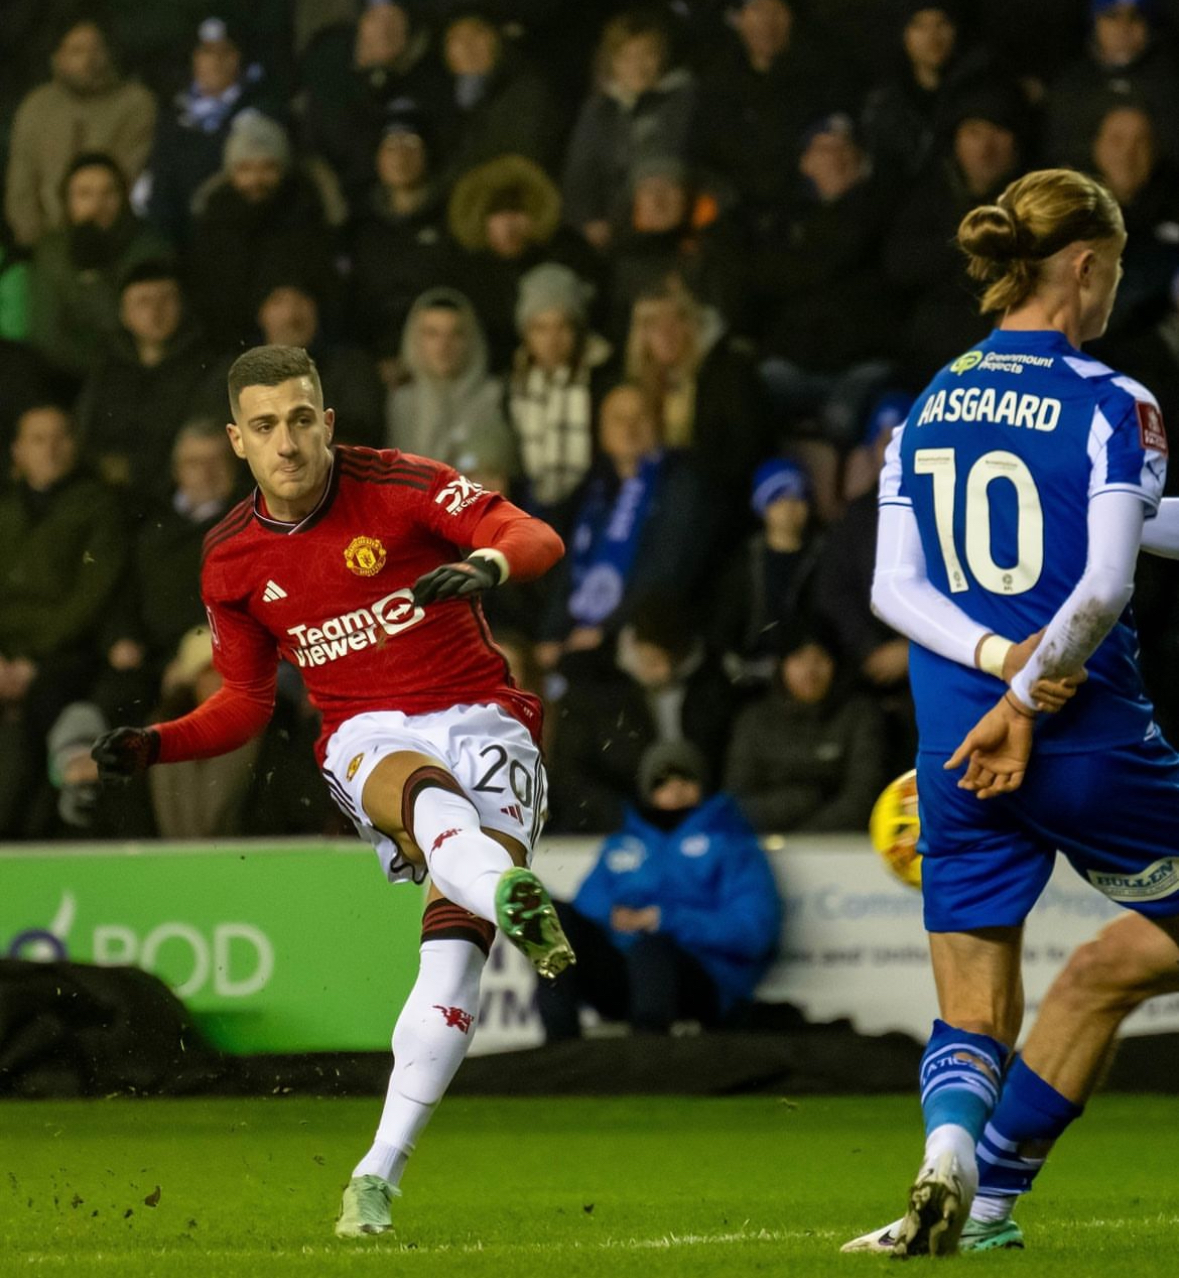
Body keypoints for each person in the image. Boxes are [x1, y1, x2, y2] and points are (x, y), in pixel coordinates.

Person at [91, 343, 572, 1239]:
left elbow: (533, 536)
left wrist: (487, 569)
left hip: (486, 720)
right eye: (267, 426)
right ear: (239, 440)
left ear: (327, 421)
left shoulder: (400, 484)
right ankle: (505, 889)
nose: (288, 441)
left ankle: (375, 1174)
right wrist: (157, 744)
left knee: (451, 961)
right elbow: (243, 702)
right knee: (416, 791)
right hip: (368, 732)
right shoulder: (231, 558)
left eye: (302, 418)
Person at [842, 168, 1179, 1257]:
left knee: (1001, 997)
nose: (1117, 292)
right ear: (1086, 264)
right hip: (1084, 741)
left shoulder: (929, 402)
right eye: (1117, 270)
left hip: (956, 745)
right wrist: (1028, 694)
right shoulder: (1113, 399)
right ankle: (975, 1190)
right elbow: (1103, 585)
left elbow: (892, 591)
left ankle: (959, 1177)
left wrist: (990, 670)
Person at [536, 740, 780, 1039]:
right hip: (624, 975)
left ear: (703, 783)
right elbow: (588, 899)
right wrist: (612, 914)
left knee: (652, 947)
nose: (675, 787)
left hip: (702, 979)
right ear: (648, 789)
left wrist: (663, 919)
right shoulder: (623, 843)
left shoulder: (731, 843)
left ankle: (647, 1059)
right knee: (555, 921)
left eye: (685, 778)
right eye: (662, 780)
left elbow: (754, 931)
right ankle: (559, 1048)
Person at [0, 405, 127, 838]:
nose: (51, 449)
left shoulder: (98, 507)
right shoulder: (5, 510)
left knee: (39, 727)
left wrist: (30, 662)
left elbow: (90, 596)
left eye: (60, 437)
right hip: (7, 659)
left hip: (67, 658)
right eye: (38, 439)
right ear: (18, 451)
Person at [5, 19, 156, 248]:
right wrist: (34, 241)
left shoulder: (135, 103)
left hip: (115, 240)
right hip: (44, 240)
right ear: (58, 57)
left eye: (96, 49)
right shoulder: (37, 106)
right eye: (76, 50)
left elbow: (129, 175)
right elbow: (21, 185)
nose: (89, 60)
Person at [723, 622, 885, 833]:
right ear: (781, 665)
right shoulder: (754, 719)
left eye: (820, 659)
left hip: (841, 849)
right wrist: (805, 800)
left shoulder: (860, 714)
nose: (810, 670)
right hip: (764, 849)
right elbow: (737, 802)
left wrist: (804, 840)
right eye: (798, 658)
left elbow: (863, 798)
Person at [28, 153, 171, 383]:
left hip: (132, 375)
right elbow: (47, 334)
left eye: (108, 193)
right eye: (84, 194)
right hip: (62, 376)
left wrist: (93, 278)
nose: (97, 205)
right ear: (67, 200)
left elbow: (139, 332)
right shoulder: (52, 251)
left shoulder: (148, 248)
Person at [560, 9, 696, 252]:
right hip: (618, 231)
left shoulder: (686, 101)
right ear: (613, 63)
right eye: (627, 57)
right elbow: (581, 172)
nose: (638, 66)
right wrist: (589, 219)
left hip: (683, 225)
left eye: (647, 55)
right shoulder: (598, 111)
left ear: (662, 57)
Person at [507, 262, 611, 531]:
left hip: (592, 511)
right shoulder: (513, 385)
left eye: (562, 327)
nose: (552, 339)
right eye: (540, 328)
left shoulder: (602, 381)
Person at [386, 287, 516, 473]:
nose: (443, 346)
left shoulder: (494, 396)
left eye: (455, 334)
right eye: (432, 334)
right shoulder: (402, 401)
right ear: (415, 339)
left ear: (471, 339)